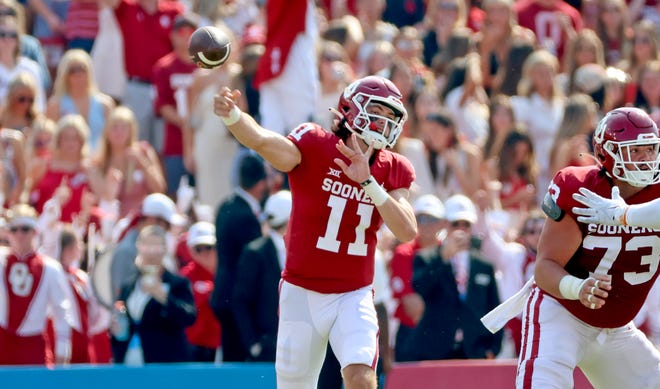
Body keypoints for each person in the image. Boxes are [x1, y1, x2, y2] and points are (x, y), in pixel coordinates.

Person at [214, 75, 417, 388]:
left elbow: (406, 230)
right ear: (351, 108)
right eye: (379, 111)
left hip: (354, 292)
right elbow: (264, 142)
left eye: (392, 117)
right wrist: (233, 115)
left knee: (361, 378)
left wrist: (369, 182)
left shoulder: (394, 168)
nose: (384, 122)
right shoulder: (314, 143)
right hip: (302, 291)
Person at [515, 107, 660, 388]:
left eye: (650, 150)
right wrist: (578, 288)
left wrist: (623, 216)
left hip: (616, 329)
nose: (646, 159)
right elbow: (544, 268)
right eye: (635, 151)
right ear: (607, 154)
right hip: (562, 313)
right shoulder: (581, 189)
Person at [402, 194, 502, 361]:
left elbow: (495, 307)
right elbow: (420, 288)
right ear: (445, 225)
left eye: (466, 225)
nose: (461, 229)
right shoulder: (427, 258)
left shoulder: (484, 264)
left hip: (474, 351)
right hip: (435, 351)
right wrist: (443, 258)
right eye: (455, 224)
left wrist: (493, 348)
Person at [210, 153, 268, 363]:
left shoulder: (225, 205)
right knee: (237, 360)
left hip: (223, 294)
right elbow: (252, 264)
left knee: (230, 356)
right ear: (261, 183)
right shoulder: (245, 217)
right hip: (236, 300)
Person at [0, 204, 75, 366]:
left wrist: (63, 354)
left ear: (35, 231)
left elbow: (62, 313)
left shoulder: (50, 268)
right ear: (7, 233)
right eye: (14, 230)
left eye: (25, 229)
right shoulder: (1, 262)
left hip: (34, 346)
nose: (19, 235)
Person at [110, 224, 196, 364]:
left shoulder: (177, 283)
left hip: (163, 364)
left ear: (164, 249)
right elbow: (122, 312)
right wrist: (117, 328)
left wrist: (163, 296)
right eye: (147, 246)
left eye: (156, 247)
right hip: (130, 362)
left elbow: (189, 317)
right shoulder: (129, 285)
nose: (151, 252)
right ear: (139, 247)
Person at [232, 190, 292, 362]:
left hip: (297, 342)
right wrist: (253, 344)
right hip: (268, 346)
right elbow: (240, 300)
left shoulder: (303, 251)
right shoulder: (255, 252)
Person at [179, 221, 221, 362]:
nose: (204, 253)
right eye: (198, 248)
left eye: (208, 247)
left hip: (222, 343)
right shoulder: (185, 277)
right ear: (190, 250)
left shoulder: (225, 273)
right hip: (195, 345)